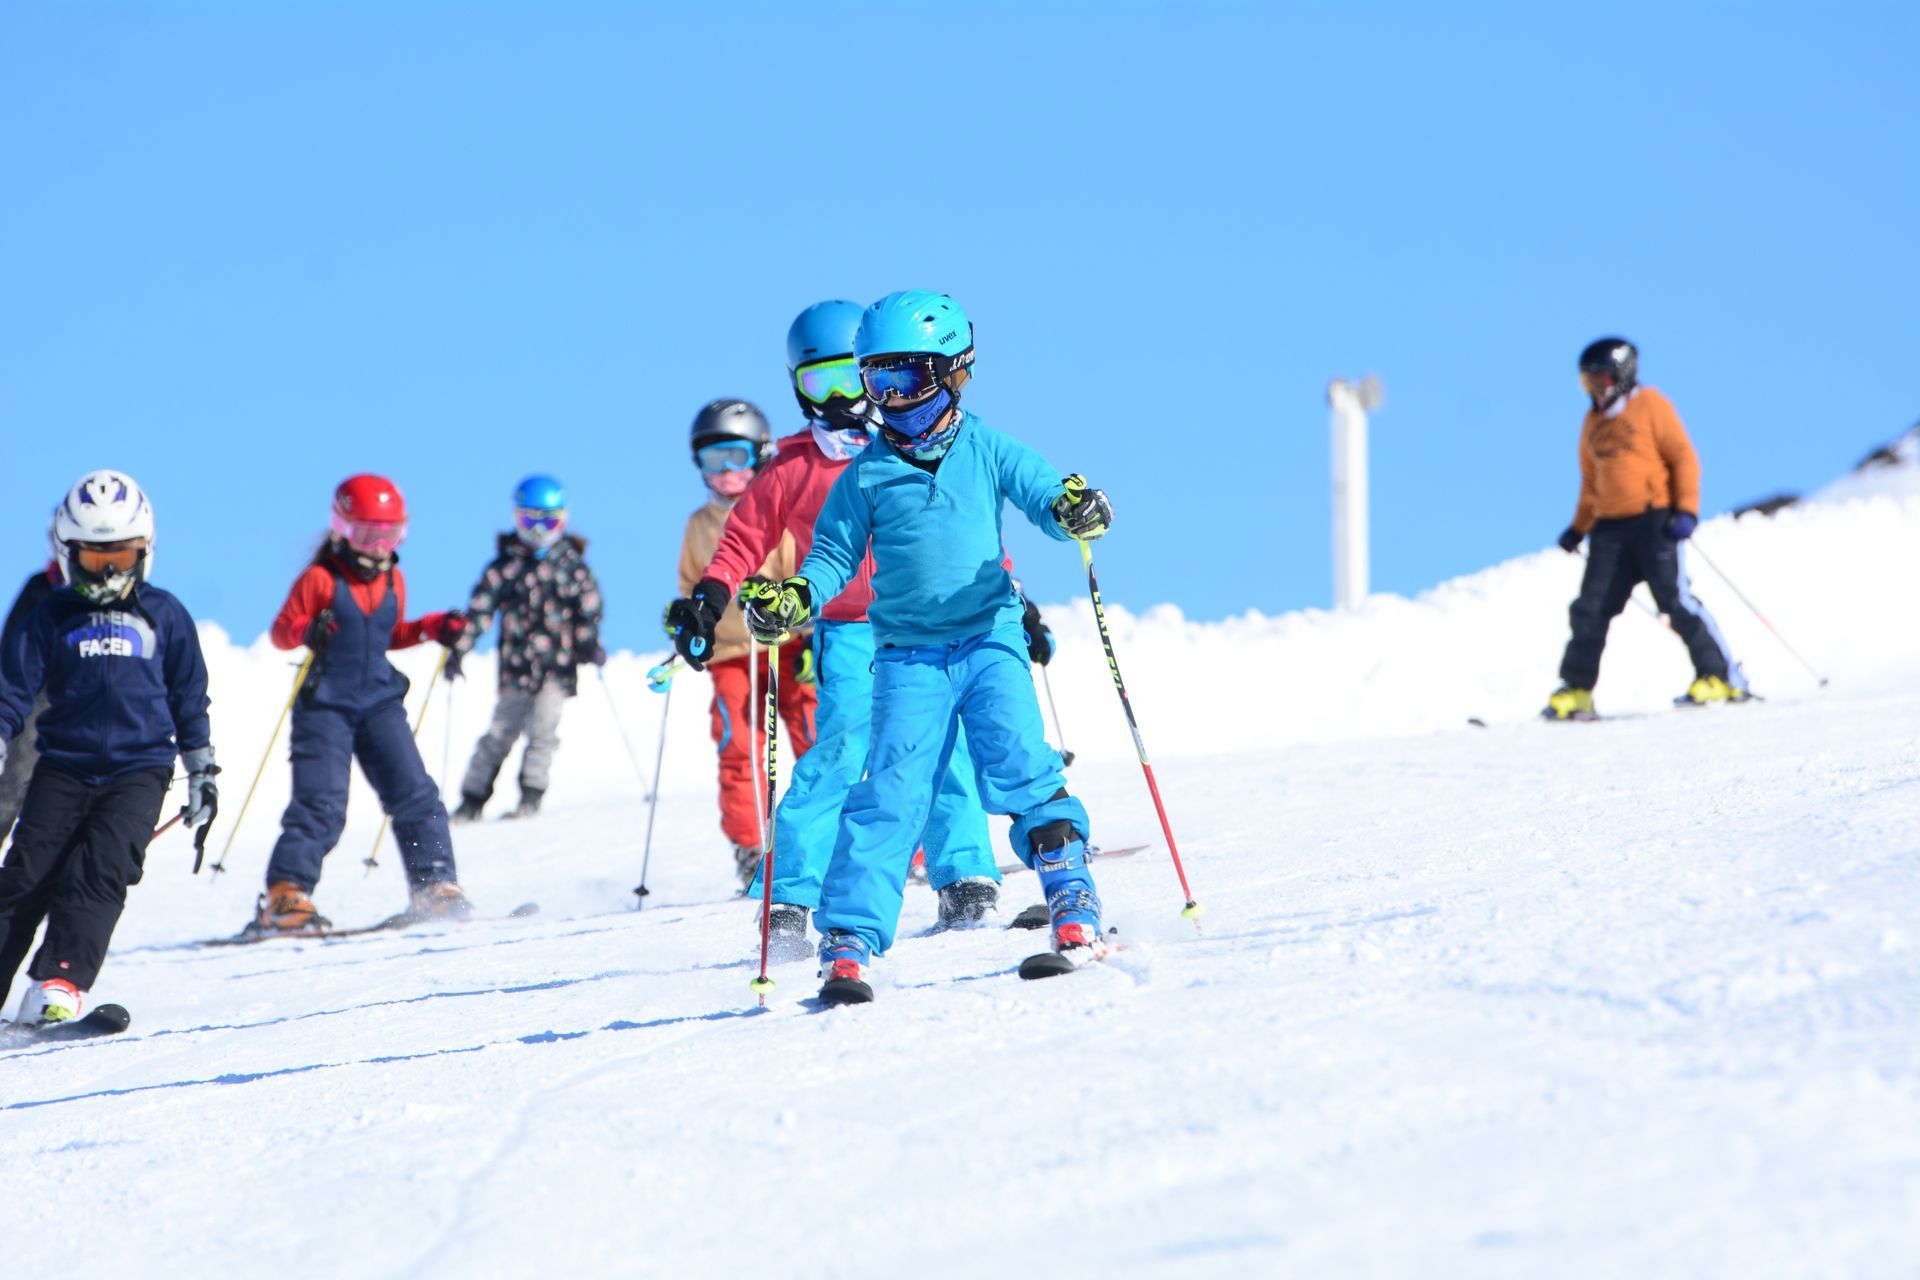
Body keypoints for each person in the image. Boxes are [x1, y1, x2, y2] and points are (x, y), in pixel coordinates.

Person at [742, 290, 1114, 1002]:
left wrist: (1074, 510)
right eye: (874, 382)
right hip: (908, 656)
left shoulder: (986, 447)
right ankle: (849, 937)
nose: (888, 399)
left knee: (1016, 763)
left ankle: (1071, 895)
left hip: (988, 637)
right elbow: (829, 559)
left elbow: (1042, 493)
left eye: (905, 379)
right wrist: (793, 596)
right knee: (889, 792)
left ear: (952, 373)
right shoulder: (867, 475)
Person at [666, 301, 1008, 960]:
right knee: (838, 754)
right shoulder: (794, 465)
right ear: (798, 387)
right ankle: (792, 893)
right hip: (850, 631)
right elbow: (742, 540)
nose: (842, 402)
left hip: (931, 625)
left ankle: (964, 876)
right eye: (821, 386)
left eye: (851, 381)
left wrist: (1008, 590)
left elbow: (964, 527)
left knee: (942, 749)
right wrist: (708, 599)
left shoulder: (921, 448)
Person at [0, 471, 215, 1025]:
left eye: (119, 557)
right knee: (26, 876)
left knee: (100, 874)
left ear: (145, 550)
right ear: (68, 555)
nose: (109, 573)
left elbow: (189, 695)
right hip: (63, 767)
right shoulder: (51, 614)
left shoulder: (163, 614)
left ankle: (57, 985)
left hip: (139, 771)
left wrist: (201, 770)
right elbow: (13, 688)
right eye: (95, 561)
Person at [253, 475, 470, 934]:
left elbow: (386, 635)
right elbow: (281, 631)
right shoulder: (320, 578)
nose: (379, 546)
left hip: (378, 701)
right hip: (325, 705)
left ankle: (435, 887)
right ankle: (285, 894)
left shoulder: (394, 578)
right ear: (341, 529)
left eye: (390, 535)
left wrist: (431, 627)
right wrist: (306, 629)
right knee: (322, 804)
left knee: (416, 793)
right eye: (367, 534)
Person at [1545, 338, 1750, 720]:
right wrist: (1578, 528)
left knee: (1675, 600)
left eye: (1601, 380)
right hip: (1609, 528)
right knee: (1590, 609)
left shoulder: (1651, 405)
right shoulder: (1592, 422)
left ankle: (1720, 677)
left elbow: (1683, 458)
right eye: (1587, 383)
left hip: (1655, 520)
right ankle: (1576, 690)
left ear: (1622, 376)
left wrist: (1685, 510)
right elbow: (1590, 482)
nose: (1594, 389)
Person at [673, 399, 817, 890]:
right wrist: (686, 619)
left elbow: (807, 568)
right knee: (739, 745)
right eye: (714, 461)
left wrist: (814, 631)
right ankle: (751, 848)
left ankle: (843, 836)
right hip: (733, 654)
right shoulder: (699, 525)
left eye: (735, 456)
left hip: (792, 645)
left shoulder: (783, 504)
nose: (727, 472)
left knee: (821, 734)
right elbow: (693, 583)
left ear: (760, 453)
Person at [448, 475, 604, 821]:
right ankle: (472, 800)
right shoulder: (506, 567)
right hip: (516, 668)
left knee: (544, 730)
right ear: (516, 518)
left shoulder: (571, 566)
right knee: (501, 732)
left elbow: (589, 609)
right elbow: (480, 610)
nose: (538, 530)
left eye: (547, 520)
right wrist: (461, 646)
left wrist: (588, 642)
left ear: (562, 519)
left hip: (556, 668)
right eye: (528, 520)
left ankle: (531, 797)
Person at [0, 551, 61, 847]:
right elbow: (11, 642)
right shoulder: (40, 586)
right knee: (12, 785)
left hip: (83, 705)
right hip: (34, 698)